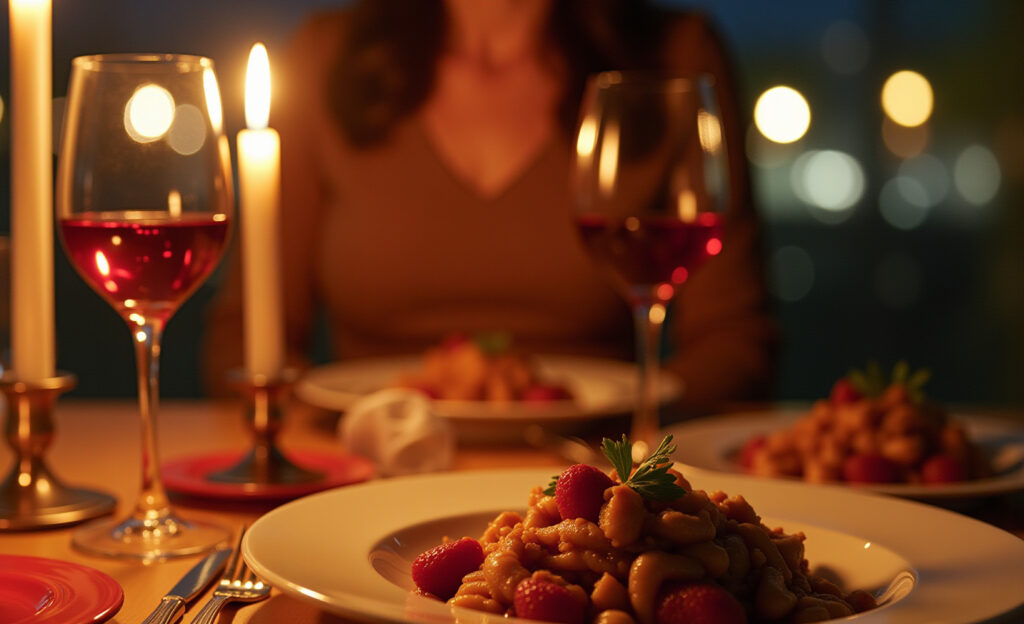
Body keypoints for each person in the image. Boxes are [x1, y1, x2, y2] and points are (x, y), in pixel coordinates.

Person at [205, 0, 773, 413]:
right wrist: (340, 428)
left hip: (592, 483)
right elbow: (246, 336)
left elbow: (736, 342)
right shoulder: (327, 58)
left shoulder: (674, 54)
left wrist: (632, 432)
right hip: (369, 472)